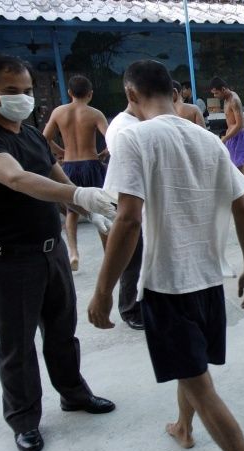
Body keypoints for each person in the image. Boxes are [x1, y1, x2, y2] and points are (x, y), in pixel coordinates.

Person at [87, 59, 244, 451]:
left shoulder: (133, 139)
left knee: (200, 385)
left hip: (168, 286)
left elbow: (127, 219)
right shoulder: (208, 139)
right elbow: (242, 208)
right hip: (207, 281)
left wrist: (103, 291)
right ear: (174, 93)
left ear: (131, 96)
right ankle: (183, 427)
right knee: (191, 369)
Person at [0, 55, 117, 451]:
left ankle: (74, 394)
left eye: (27, 91)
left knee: (62, 333)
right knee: (17, 345)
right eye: (11, 91)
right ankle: (25, 420)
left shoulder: (32, 135)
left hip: (51, 251)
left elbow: (56, 176)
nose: (22, 98)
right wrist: (79, 193)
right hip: (8, 259)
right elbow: (17, 179)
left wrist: (87, 209)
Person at [42, 74, 110, 271]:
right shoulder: (95, 114)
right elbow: (111, 138)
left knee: (72, 211)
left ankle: (73, 253)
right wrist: (104, 152)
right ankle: (108, 254)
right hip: (91, 164)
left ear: (70, 92)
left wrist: (61, 152)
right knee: (99, 207)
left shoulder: (59, 112)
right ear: (90, 94)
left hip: (70, 166)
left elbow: (44, 139)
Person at [104, 105, 145, 330]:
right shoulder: (124, 128)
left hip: (138, 203)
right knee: (132, 258)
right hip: (128, 203)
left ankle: (138, 304)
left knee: (139, 257)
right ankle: (131, 310)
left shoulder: (131, 124)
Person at [209, 76, 244, 197]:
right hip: (231, 137)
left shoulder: (234, 100)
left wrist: (225, 138)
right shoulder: (226, 99)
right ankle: (241, 197)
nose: (215, 96)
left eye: (216, 93)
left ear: (223, 89)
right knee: (232, 170)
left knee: (239, 170)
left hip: (238, 137)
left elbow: (239, 125)